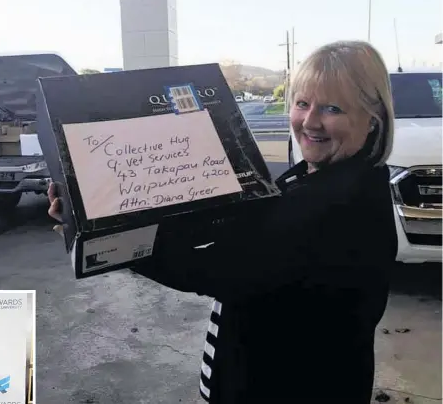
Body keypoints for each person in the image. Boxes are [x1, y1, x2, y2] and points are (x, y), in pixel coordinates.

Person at [48, 40, 398, 404]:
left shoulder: (334, 202)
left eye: (332, 108)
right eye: (302, 103)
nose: (309, 122)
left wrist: (107, 239)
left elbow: (208, 269)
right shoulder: (337, 177)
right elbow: (251, 224)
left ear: (372, 118)